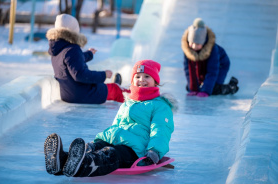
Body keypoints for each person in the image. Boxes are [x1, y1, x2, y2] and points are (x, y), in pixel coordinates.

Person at [44, 60, 176, 177]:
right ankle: (62, 161)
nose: (142, 80)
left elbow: (160, 131)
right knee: (95, 147)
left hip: (135, 150)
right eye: (138, 76)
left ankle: (84, 166)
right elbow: (116, 124)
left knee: (111, 154)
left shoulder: (160, 105)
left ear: (155, 81)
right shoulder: (128, 101)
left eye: (147, 76)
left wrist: (154, 152)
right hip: (115, 139)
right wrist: (102, 139)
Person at [46, 14, 128, 104]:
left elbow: (72, 61)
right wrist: (103, 75)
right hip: (83, 94)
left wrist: (89, 54)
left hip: (68, 94)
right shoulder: (72, 49)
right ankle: (137, 95)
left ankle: (114, 85)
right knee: (115, 90)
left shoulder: (57, 51)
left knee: (102, 86)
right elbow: (80, 75)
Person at [181, 18, 239, 97]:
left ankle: (232, 87)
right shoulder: (188, 48)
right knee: (189, 87)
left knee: (213, 89)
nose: (194, 46)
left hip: (220, 66)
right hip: (204, 65)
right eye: (192, 43)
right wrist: (193, 89)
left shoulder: (212, 49)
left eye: (197, 44)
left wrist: (206, 91)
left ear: (203, 43)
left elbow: (212, 71)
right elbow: (188, 70)